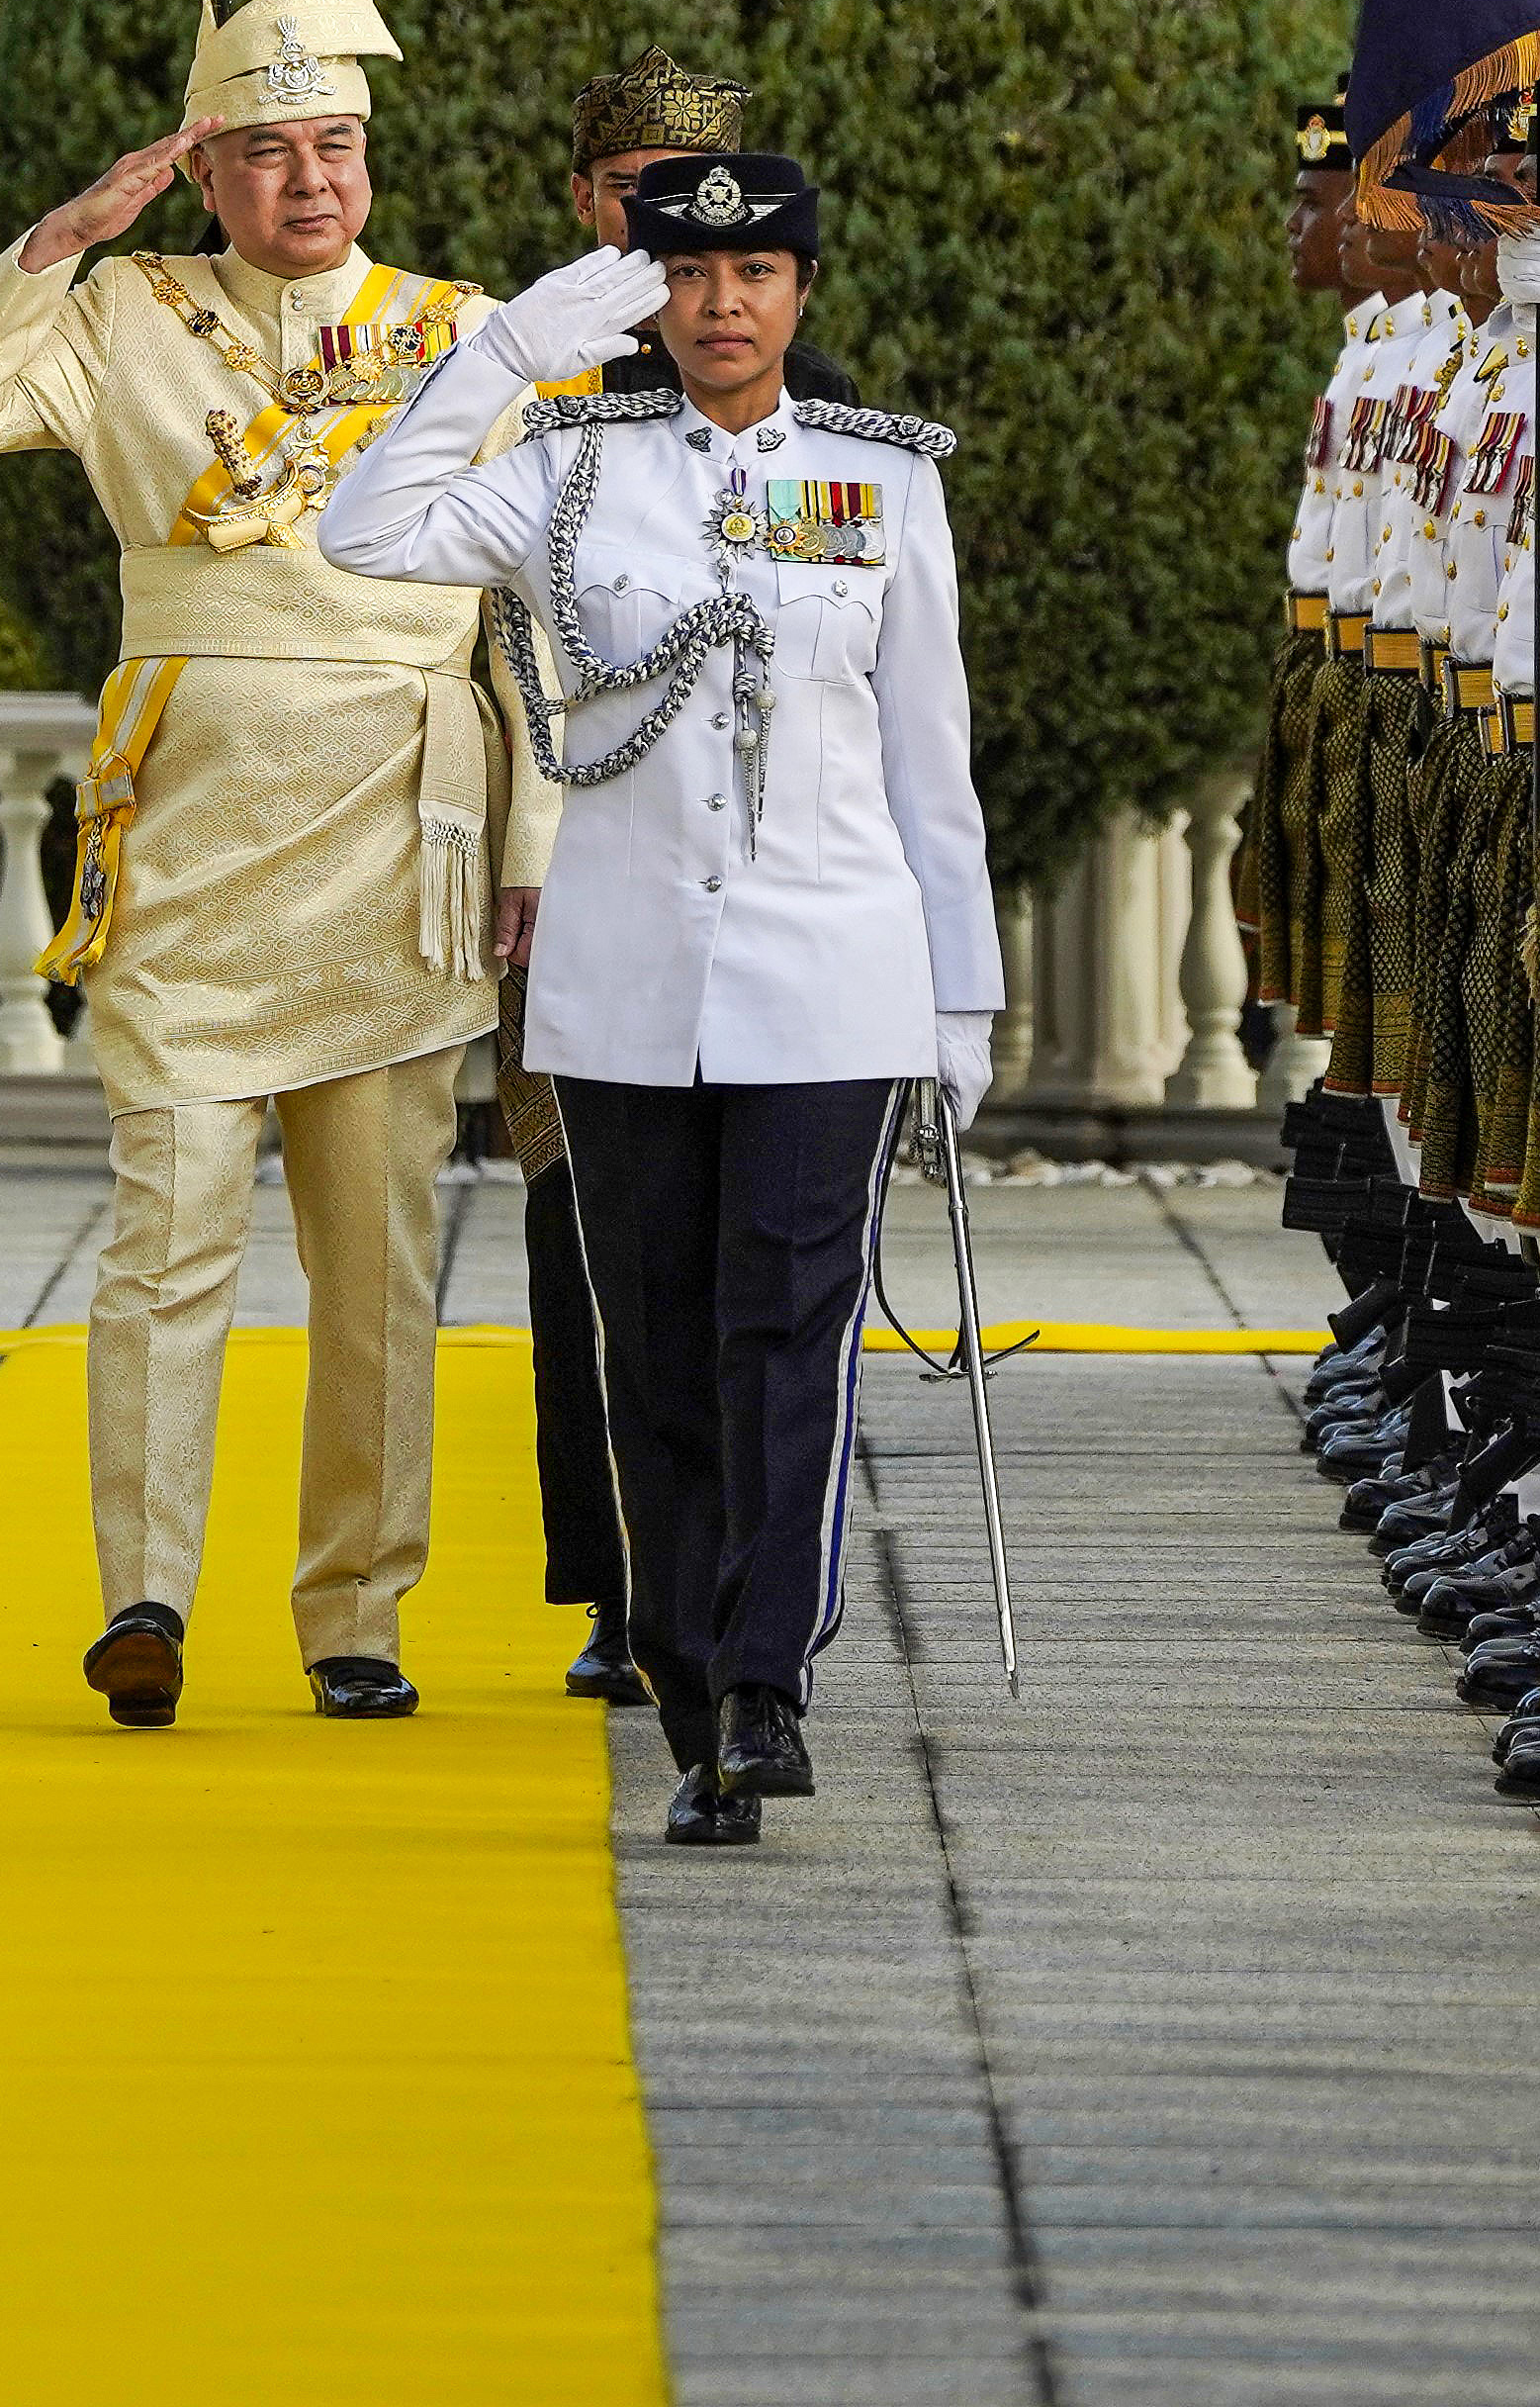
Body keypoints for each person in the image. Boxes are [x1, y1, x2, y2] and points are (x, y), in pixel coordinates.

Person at [0, 0, 556, 1734]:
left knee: (377, 1254)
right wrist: (62, 238)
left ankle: (356, 1604)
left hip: (397, 833)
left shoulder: (461, 333)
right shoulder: (120, 316)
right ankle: (145, 1592)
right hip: (185, 832)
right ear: (201, 166)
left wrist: (531, 856)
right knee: (161, 1231)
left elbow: (535, 615)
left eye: (334, 144)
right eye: (266, 151)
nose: (310, 177)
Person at [321, 147, 1001, 1848]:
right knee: (660, 1352)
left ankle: (766, 1679)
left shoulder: (878, 484)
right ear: (643, 292)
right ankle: (690, 1680)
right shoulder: (566, 466)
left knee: (786, 1324)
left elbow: (934, 763)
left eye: (755, 273)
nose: (720, 304)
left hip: (830, 976)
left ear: (800, 292)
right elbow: (362, 522)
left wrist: (959, 998)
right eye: (687, 275)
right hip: (627, 990)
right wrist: (499, 358)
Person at [506, 46, 792, 1708]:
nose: (662, 220)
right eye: (630, 189)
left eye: (696, 189)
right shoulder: (527, 370)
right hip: (560, 850)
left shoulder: (778, 378)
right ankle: (612, 1574)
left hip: (741, 865)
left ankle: (736, 1576)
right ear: (582, 198)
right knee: (584, 1232)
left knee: (742, 1243)